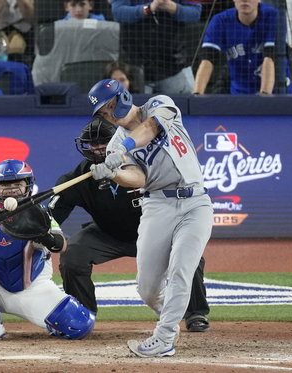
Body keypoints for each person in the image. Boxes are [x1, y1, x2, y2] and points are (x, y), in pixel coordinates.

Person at [49, 116, 211, 333]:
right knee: (73, 255)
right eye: (92, 144)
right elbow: (52, 216)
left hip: (155, 231)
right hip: (107, 233)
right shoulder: (80, 177)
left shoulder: (141, 164)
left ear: (115, 141)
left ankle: (196, 313)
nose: (97, 149)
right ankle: (82, 316)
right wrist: (43, 224)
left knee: (189, 253)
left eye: (103, 143)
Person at [87, 79, 213, 357]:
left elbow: (151, 127)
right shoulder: (115, 146)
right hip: (157, 206)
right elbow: (139, 178)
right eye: (103, 114)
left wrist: (123, 149)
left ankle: (164, 335)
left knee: (182, 269)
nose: (108, 115)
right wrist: (113, 173)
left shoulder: (159, 104)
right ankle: (171, 317)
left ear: (121, 97)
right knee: (146, 287)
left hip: (196, 204)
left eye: (109, 108)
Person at [0, 159, 95, 341]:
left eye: (17, 183)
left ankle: (51, 320)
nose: (11, 189)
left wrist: (43, 235)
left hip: (32, 289)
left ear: (27, 185)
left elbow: (60, 245)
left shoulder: (40, 214)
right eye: (4, 184)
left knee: (80, 326)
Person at [193, 0, 292, 95]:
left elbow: (270, 57)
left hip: (277, 91)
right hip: (241, 93)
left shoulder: (274, 16)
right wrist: (197, 94)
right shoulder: (220, 20)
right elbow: (207, 59)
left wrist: (265, 94)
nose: (244, 0)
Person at [112, 0, 202, 95]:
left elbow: (195, 14)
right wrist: (147, 9)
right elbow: (118, 13)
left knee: (184, 107)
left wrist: (175, 8)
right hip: (135, 66)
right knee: (135, 109)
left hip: (174, 64)